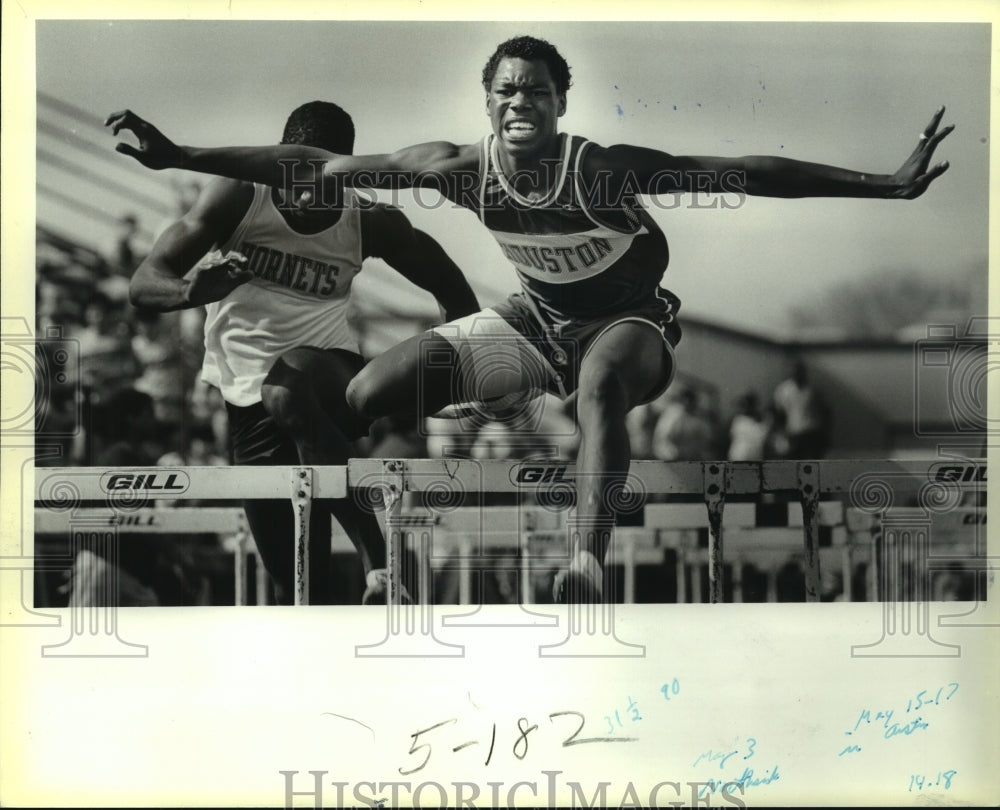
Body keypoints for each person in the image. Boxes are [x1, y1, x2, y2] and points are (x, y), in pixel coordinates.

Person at [106, 35, 952, 602]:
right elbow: (310, 161)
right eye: (507, 91)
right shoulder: (455, 170)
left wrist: (883, 182)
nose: (521, 104)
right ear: (488, 103)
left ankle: (584, 560)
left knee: (601, 387)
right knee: (364, 394)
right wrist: (179, 153)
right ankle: (388, 552)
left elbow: (742, 168)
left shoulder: (601, 173)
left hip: (627, 327)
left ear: (558, 104)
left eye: (537, 93)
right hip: (531, 325)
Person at [124, 101, 479, 605]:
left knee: (287, 385)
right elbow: (144, 283)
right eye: (299, 176)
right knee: (296, 587)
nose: (314, 192)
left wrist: (457, 371)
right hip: (246, 406)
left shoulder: (368, 220)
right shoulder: (239, 198)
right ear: (275, 163)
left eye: (330, 178)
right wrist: (190, 293)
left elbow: (452, 287)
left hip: (331, 380)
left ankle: (379, 564)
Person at [772, 360, 832, 459]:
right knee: (794, 465)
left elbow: (826, 412)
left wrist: (826, 434)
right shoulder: (783, 390)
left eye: (799, 372)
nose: (796, 374)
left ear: (804, 373)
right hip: (793, 434)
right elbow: (778, 412)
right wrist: (780, 434)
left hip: (812, 434)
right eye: (793, 372)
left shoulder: (813, 390)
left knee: (812, 466)